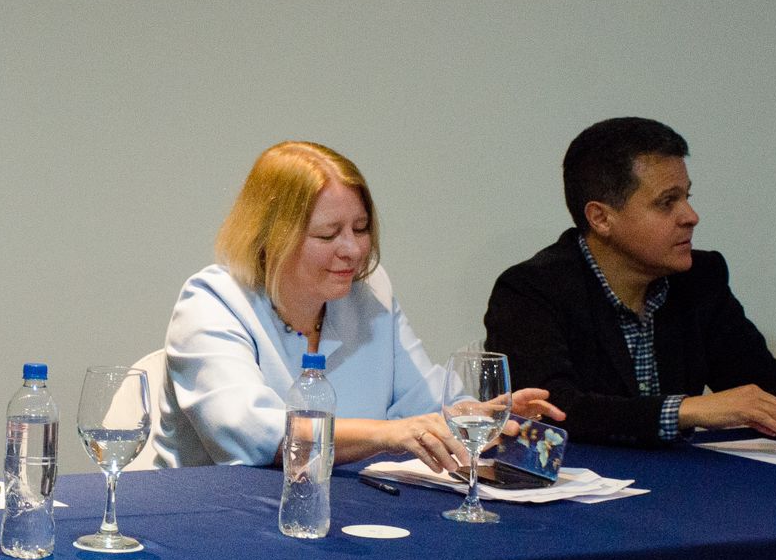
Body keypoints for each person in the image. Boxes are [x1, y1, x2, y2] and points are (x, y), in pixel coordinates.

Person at [154, 140, 561, 469]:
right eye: (328, 235)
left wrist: (478, 416)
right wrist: (387, 434)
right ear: (271, 238)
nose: (352, 249)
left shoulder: (369, 291)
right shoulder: (212, 301)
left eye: (361, 229)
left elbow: (423, 402)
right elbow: (251, 432)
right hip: (214, 518)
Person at [483, 117, 776, 447]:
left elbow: (758, 378)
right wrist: (685, 411)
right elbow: (551, 410)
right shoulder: (530, 291)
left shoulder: (700, 278)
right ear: (601, 218)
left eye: (687, 197)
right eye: (667, 202)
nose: (691, 217)